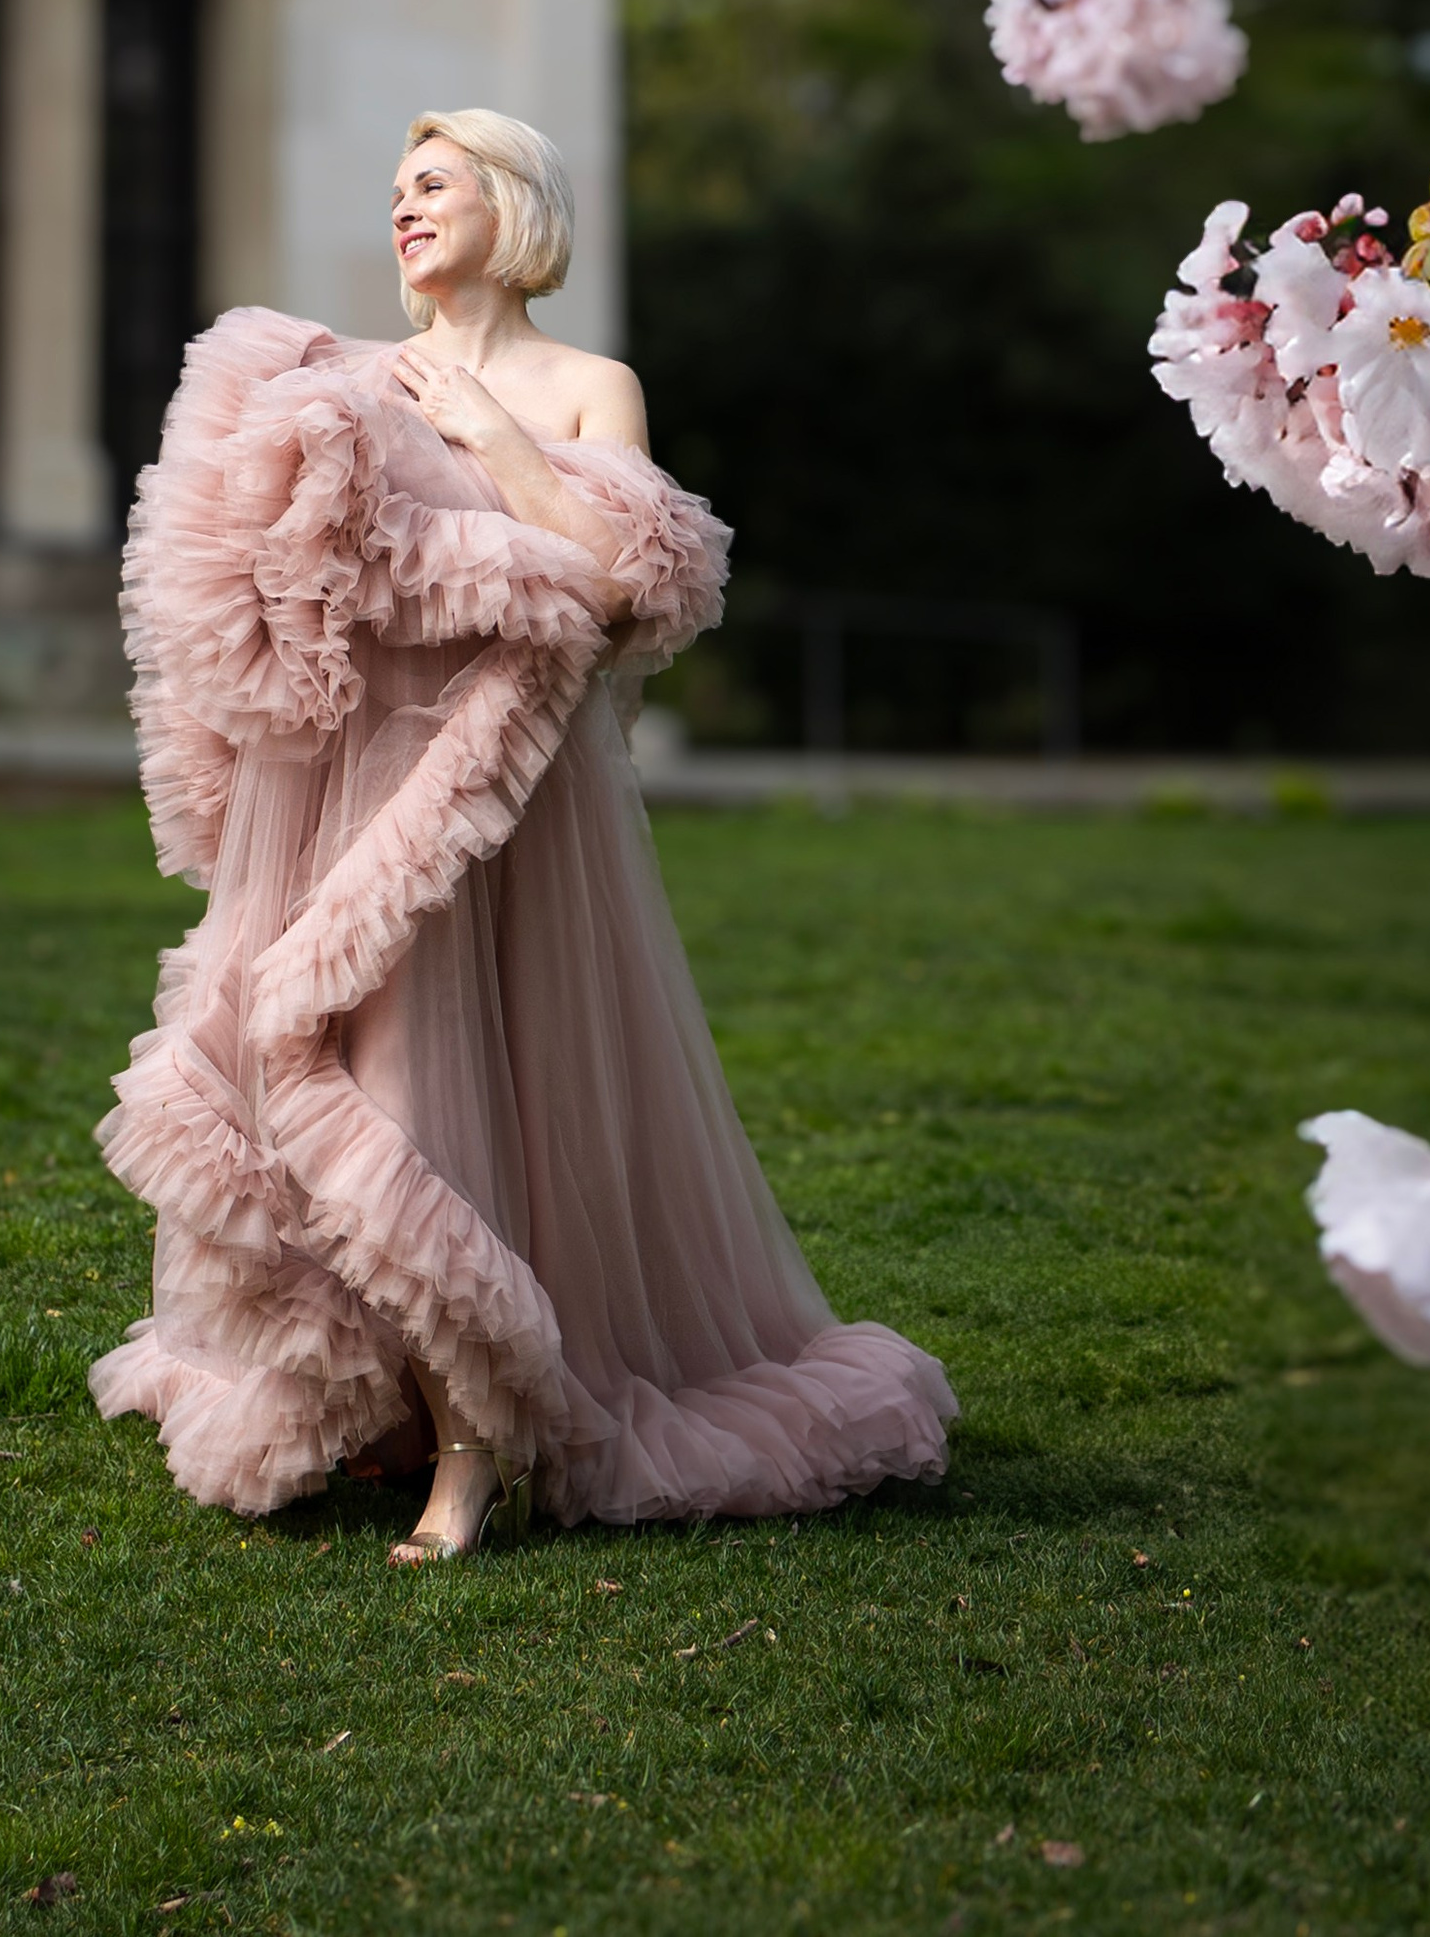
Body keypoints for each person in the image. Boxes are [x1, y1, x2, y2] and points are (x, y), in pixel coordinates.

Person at [90, 108, 955, 1561]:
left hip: (513, 811)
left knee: (466, 1096)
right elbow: (265, 597)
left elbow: (634, 592)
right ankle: (394, 1405)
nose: (405, 211)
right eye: (395, 193)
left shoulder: (585, 385)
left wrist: (492, 437)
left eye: (434, 185)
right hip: (355, 803)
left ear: (515, 203)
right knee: (350, 1079)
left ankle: (483, 1441)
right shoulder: (341, 382)